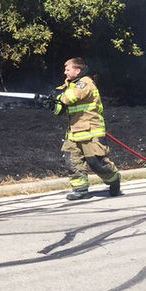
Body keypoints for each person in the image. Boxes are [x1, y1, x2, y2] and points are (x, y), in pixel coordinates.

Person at [44, 57, 121, 200]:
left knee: (96, 162)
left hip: (90, 131)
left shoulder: (85, 83)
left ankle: (114, 179)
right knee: (72, 161)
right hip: (73, 132)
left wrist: (56, 97)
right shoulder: (69, 86)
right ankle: (80, 190)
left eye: (68, 69)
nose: (65, 72)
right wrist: (50, 104)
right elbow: (61, 110)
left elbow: (68, 98)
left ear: (78, 70)